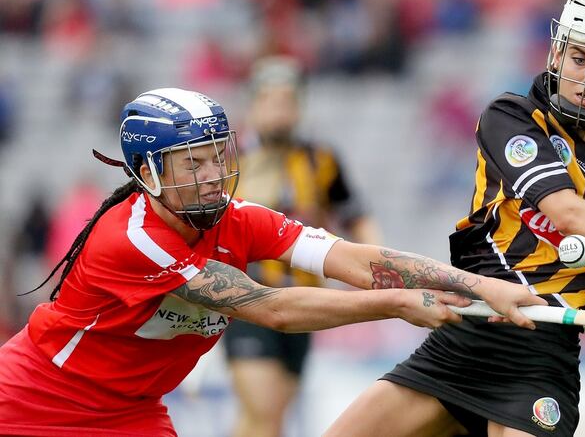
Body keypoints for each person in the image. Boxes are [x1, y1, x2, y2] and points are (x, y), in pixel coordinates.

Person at [0, 87, 545, 436]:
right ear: (147, 171)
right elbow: (271, 307)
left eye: (217, 157)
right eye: (192, 164)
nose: (212, 174)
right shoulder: (132, 239)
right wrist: (400, 304)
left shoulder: (238, 218)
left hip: (131, 412)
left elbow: (352, 258)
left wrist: (476, 284)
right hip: (33, 397)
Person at [326, 0, 585, 436]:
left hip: (542, 360)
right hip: (466, 335)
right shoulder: (511, 116)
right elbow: (565, 210)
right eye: (580, 58)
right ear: (557, 50)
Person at [224, 56, 381, 437]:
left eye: (289, 101)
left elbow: (354, 213)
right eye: (272, 100)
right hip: (249, 297)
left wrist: (377, 264)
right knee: (264, 408)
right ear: (253, 103)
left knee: (270, 416)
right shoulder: (229, 159)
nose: (281, 110)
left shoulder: (320, 158)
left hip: (305, 301)